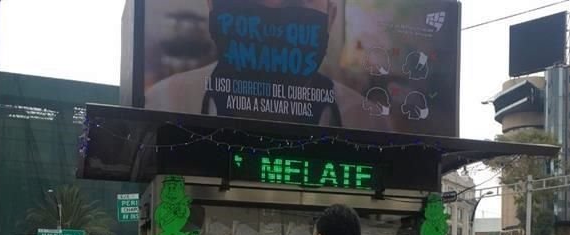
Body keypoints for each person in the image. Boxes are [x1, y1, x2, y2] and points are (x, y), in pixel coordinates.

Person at [145, 0, 391, 131]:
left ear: (331, 18)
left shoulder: (367, 120)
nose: (271, 7)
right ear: (213, 6)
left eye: (295, 2)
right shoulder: (163, 103)